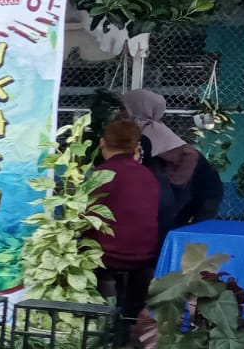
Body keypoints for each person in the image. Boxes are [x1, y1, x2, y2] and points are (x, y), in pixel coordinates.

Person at [86, 118, 162, 327]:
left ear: (102, 143)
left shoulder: (101, 175)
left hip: (105, 259)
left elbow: (83, 217)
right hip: (143, 258)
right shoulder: (148, 176)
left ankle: (97, 328)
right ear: (136, 147)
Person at [123, 89, 224, 237]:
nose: (122, 112)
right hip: (190, 191)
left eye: (125, 107)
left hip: (203, 192)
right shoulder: (148, 129)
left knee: (188, 238)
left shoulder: (151, 132)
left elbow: (190, 157)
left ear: (136, 108)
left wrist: (174, 187)